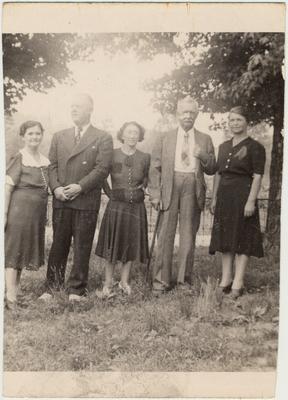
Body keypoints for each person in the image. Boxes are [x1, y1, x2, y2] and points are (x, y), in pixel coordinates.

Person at [39, 93, 113, 302]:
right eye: (72, 106)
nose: (74, 110)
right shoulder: (59, 136)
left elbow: (102, 168)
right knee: (58, 244)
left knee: (82, 246)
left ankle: (76, 290)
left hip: (86, 200)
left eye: (78, 106)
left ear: (90, 109)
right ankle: (52, 287)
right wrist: (55, 188)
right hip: (62, 199)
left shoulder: (102, 136)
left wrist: (80, 186)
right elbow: (51, 165)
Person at [148, 95, 216, 294]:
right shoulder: (164, 137)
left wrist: (202, 155)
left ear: (196, 115)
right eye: (184, 112)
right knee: (165, 236)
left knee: (188, 236)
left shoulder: (205, 138)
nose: (188, 115)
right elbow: (154, 168)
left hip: (192, 187)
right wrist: (154, 194)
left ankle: (183, 283)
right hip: (169, 187)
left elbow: (212, 168)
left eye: (192, 112)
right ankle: (161, 282)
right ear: (177, 114)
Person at [209, 106, 266, 299]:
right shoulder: (224, 146)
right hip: (225, 197)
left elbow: (257, 177)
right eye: (232, 120)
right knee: (225, 238)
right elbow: (218, 173)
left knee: (243, 239)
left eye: (239, 120)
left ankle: (238, 282)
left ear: (246, 122)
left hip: (243, 195)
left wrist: (251, 201)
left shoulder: (256, 147)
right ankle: (226, 279)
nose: (235, 123)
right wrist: (215, 197)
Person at [95, 121, 150, 297]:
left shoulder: (145, 157)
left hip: (136, 208)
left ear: (139, 136)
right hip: (116, 206)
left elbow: (148, 180)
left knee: (130, 244)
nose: (133, 135)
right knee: (112, 244)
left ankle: (124, 282)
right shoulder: (112, 154)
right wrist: (110, 193)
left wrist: (144, 190)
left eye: (136, 132)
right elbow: (102, 176)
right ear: (122, 134)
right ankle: (108, 283)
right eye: (129, 132)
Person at [5, 121, 50, 309]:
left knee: (22, 253)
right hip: (19, 212)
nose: (34, 137)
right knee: (13, 252)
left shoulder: (44, 160)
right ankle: (10, 298)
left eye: (38, 134)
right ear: (23, 137)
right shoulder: (19, 157)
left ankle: (15, 292)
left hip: (35, 215)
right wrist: (4, 215)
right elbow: (7, 188)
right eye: (30, 134)